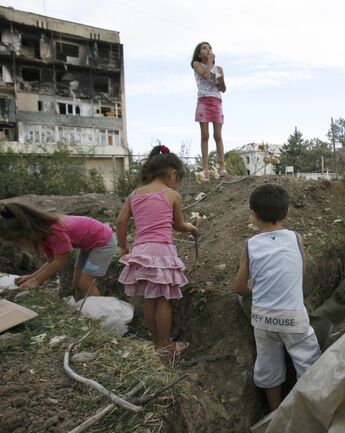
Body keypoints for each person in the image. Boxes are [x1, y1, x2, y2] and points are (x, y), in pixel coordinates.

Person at [234, 183, 321, 410]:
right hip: (293, 317)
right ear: (287, 212)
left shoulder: (249, 245)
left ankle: (275, 412)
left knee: (269, 366)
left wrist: (255, 286)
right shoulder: (296, 238)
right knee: (308, 362)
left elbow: (240, 288)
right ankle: (308, 410)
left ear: (253, 215)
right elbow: (300, 273)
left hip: (263, 320)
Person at [117, 144, 198, 361]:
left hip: (141, 252)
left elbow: (121, 221)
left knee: (149, 300)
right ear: (172, 174)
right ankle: (166, 347)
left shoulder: (135, 194)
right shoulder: (171, 195)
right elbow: (178, 225)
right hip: (161, 251)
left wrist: (123, 247)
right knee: (164, 300)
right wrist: (191, 228)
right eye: (177, 179)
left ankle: (156, 345)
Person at [0, 203, 116, 301]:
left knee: (85, 282)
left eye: (17, 241)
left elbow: (60, 261)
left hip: (103, 244)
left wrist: (36, 281)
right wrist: (31, 276)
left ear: (25, 232)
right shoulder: (43, 235)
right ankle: (82, 312)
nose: (18, 245)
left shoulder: (55, 231)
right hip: (89, 246)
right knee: (76, 283)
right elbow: (51, 261)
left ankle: (97, 314)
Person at [191, 41, 227, 184]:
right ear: (199, 54)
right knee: (204, 135)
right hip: (203, 101)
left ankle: (221, 167)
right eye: (204, 48)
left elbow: (223, 89)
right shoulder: (197, 64)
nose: (208, 50)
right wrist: (210, 61)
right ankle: (205, 169)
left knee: (217, 135)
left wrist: (221, 79)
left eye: (209, 48)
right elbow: (205, 75)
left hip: (216, 101)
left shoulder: (218, 69)